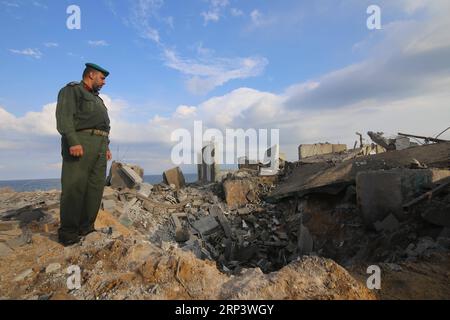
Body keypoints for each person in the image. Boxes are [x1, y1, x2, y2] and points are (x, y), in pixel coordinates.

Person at [55, 63, 112, 246]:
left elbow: (104, 126)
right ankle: (68, 232)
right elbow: (64, 117)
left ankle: (86, 228)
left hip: (100, 145)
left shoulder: (98, 100)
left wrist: (107, 147)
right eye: (102, 78)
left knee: (95, 188)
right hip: (82, 142)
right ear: (90, 74)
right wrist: (73, 141)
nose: (104, 82)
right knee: (75, 187)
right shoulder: (73, 91)